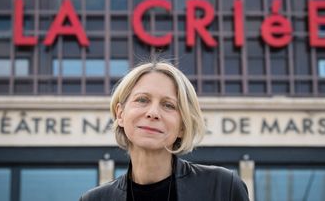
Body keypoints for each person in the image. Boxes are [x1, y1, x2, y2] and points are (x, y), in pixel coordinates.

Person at [79, 60, 249, 201]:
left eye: (168, 105)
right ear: (121, 114)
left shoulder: (223, 188)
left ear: (182, 126)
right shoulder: (93, 200)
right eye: (142, 100)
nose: (153, 113)